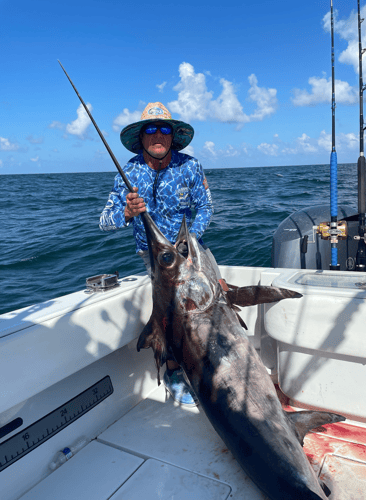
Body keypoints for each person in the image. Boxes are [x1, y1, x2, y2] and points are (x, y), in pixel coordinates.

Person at [100, 102, 215, 406]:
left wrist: (192, 238)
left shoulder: (190, 166)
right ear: (141, 138)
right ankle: (174, 370)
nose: (158, 135)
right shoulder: (129, 172)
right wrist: (125, 213)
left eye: (164, 128)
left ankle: (209, 357)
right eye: (150, 129)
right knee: (169, 316)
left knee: (204, 307)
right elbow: (104, 221)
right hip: (154, 259)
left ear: (172, 135)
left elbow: (206, 207)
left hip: (189, 251)